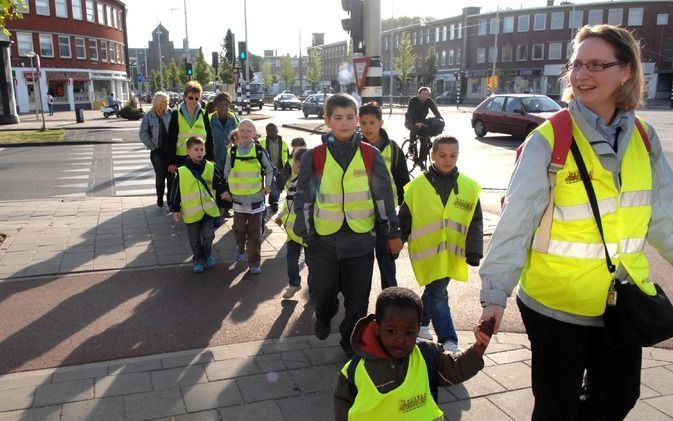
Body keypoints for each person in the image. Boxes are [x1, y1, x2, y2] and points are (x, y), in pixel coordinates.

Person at [477, 24, 673, 421]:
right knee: (555, 407)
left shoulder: (645, 137)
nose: (581, 75)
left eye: (597, 64)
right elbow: (516, 222)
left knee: (619, 398)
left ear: (627, 71)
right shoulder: (551, 139)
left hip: (620, 302)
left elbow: (664, 217)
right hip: (554, 305)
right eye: (577, 64)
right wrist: (495, 295)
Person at [293, 93, 403, 356]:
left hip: (360, 241)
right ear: (327, 120)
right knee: (323, 294)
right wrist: (305, 231)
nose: (345, 123)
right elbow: (304, 198)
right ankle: (323, 315)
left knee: (358, 302)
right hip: (322, 243)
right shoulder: (314, 157)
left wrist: (392, 233)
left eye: (350, 117)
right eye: (338, 117)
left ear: (357, 120)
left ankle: (350, 343)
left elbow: (383, 198)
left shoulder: (370, 155)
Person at [333, 287, 494, 421]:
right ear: (377, 327)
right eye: (392, 331)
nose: (400, 339)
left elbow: (456, 368)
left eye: (409, 332)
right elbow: (342, 400)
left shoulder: (427, 354)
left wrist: (480, 346)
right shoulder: (355, 369)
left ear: (418, 329)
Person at [399, 136, 483, 353]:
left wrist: (474, 251)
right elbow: (405, 218)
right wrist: (397, 240)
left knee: (435, 289)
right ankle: (448, 339)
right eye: (442, 155)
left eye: (453, 155)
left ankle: (421, 324)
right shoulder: (416, 187)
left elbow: (475, 221)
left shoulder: (469, 187)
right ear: (432, 155)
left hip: (452, 253)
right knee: (438, 292)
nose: (448, 159)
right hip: (426, 252)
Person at [358, 101, 409, 289]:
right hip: (360, 215)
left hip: (385, 217)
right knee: (359, 269)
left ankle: (390, 304)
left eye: (372, 122)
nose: (367, 127)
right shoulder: (353, 147)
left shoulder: (394, 149)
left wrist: (400, 220)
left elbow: (404, 182)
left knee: (387, 265)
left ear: (380, 122)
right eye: (363, 123)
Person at [222, 119, 275, 275]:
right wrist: (227, 190)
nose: (245, 133)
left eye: (248, 130)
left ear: (254, 134)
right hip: (237, 200)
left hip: (255, 200)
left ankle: (254, 263)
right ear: (237, 133)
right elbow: (226, 173)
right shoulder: (231, 152)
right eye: (242, 130)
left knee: (254, 233)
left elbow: (270, 169)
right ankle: (240, 247)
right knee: (238, 229)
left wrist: (268, 185)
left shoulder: (259, 151)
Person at [169, 136, 224, 273]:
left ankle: (207, 254)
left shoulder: (210, 167)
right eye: (196, 149)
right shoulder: (181, 171)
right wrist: (175, 209)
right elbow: (176, 191)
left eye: (202, 149)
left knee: (208, 235)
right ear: (188, 151)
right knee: (194, 239)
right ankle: (198, 259)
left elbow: (219, 182)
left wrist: (224, 192)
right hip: (191, 212)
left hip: (208, 210)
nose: (200, 152)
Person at [274, 147, 312, 299]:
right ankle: (294, 284)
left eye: (302, 164)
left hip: (307, 232)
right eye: (297, 163)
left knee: (312, 263)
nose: (299, 166)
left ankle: (314, 287)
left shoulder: (313, 184)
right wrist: (281, 215)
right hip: (291, 232)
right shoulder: (294, 182)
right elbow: (287, 204)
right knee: (291, 259)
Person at [166, 81, 214, 175]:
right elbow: (171, 139)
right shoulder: (176, 114)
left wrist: (211, 159)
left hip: (200, 158)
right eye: (190, 98)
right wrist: (171, 161)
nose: (193, 101)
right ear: (184, 97)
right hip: (182, 159)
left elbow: (209, 138)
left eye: (196, 98)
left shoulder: (204, 114)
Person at [139, 91, 173, 208]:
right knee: (160, 175)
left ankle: (170, 200)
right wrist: (152, 146)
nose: (167, 103)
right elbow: (143, 133)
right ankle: (159, 195)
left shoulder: (171, 114)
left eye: (167, 101)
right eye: (165, 101)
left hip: (170, 152)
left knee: (171, 176)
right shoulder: (149, 116)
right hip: (157, 152)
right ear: (158, 103)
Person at [209, 92, 239, 218]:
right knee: (217, 181)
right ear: (216, 106)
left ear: (229, 105)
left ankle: (227, 208)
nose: (223, 107)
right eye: (220, 104)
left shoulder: (233, 118)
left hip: (230, 156)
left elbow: (239, 134)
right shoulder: (210, 118)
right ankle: (218, 205)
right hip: (215, 154)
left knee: (228, 181)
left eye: (226, 104)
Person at [404, 87, 442, 167]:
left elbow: (436, 112)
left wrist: (441, 121)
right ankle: (411, 145)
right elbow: (410, 113)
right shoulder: (413, 101)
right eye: (423, 94)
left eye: (427, 95)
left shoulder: (429, 101)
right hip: (410, 121)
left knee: (424, 138)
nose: (425, 96)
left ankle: (421, 160)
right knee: (415, 128)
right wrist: (415, 123)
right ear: (418, 94)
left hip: (422, 122)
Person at [259, 123, 289, 213]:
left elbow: (288, 155)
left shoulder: (283, 143)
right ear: (267, 132)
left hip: (281, 168)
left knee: (279, 186)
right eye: (270, 131)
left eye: (274, 130)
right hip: (269, 168)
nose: (273, 132)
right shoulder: (263, 143)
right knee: (272, 185)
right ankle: (274, 202)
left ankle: (275, 200)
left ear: (277, 130)